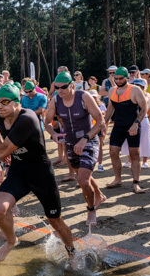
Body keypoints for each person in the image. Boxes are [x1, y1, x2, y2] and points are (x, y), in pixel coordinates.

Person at [0, 84, 76, 263]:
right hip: (19, 172)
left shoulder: (27, 118)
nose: (0, 106)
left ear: (17, 103)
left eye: (5, 102)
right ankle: (11, 240)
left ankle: (72, 251)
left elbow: (2, 150)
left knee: (55, 221)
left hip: (41, 173)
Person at [45, 71, 106, 226]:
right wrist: (53, 134)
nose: (60, 90)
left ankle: (91, 210)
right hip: (71, 143)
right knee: (84, 175)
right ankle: (99, 196)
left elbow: (100, 121)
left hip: (88, 141)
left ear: (72, 85)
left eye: (63, 87)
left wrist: (85, 139)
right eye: (57, 87)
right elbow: (46, 122)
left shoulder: (83, 96)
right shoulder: (56, 100)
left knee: (83, 180)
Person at [104, 67, 148, 194]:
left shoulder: (135, 89)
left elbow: (144, 109)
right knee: (113, 152)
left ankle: (136, 183)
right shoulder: (112, 90)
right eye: (116, 79)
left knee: (134, 154)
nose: (118, 81)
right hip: (118, 126)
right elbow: (110, 110)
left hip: (133, 125)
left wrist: (136, 124)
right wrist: (103, 124)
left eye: (120, 78)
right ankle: (118, 179)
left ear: (127, 77)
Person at [121, 78, 150, 169]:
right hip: (131, 119)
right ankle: (129, 160)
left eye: (139, 86)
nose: (137, 88)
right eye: (135, 86)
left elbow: (145, 100)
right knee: (130, 140)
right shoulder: (129, 95)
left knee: (145, 140)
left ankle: (144, 161)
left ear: (143, 87)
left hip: (143, 119)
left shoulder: (147, 94)